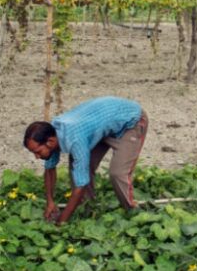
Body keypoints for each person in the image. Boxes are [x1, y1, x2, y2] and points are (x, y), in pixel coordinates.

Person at [23, 96, 148, 225]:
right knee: (79, 168)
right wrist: (50, 202)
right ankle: (88, 211)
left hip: (130, 121)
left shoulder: (75, 140)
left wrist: (61, 222)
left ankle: (134, 214)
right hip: (101, 124)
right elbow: (49, 169)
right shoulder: (53, 133)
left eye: (37, 152)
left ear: (50, 142)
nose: (36, 157)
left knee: (118, 173)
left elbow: (80, 185)